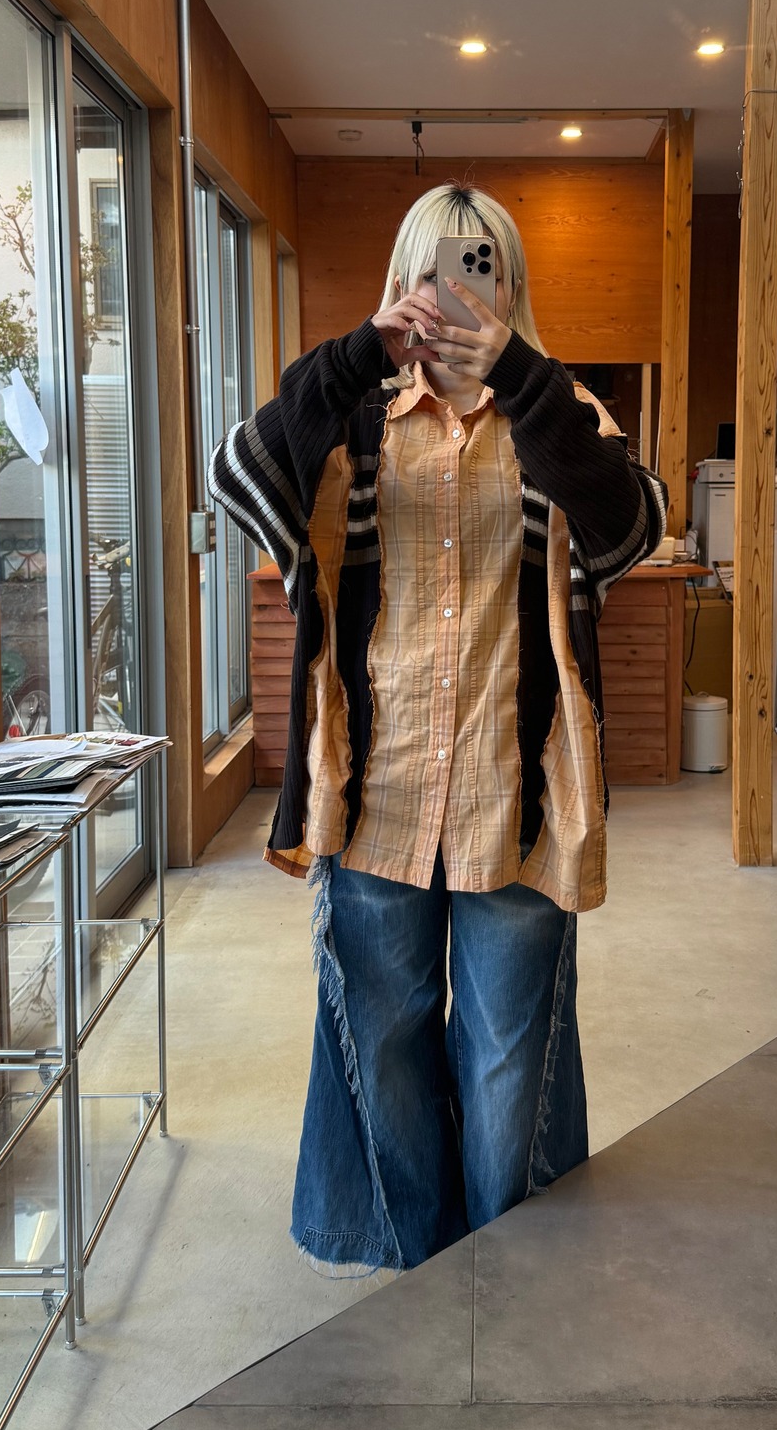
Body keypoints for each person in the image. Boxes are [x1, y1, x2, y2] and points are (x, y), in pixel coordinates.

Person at [208, 183, 667, 1274]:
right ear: (401, 280)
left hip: (519, 797)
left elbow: (632, 524)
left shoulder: (559, 414)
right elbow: (238, 471)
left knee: (509, 1055)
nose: (454, 292)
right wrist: (359, 352)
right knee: (385, 1045)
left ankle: (499, 1266)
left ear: (510, 284)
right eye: (434, 270)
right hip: (377, 791)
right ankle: (420, 1265)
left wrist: (521, 378)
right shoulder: (349, 419)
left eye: (479, 268)